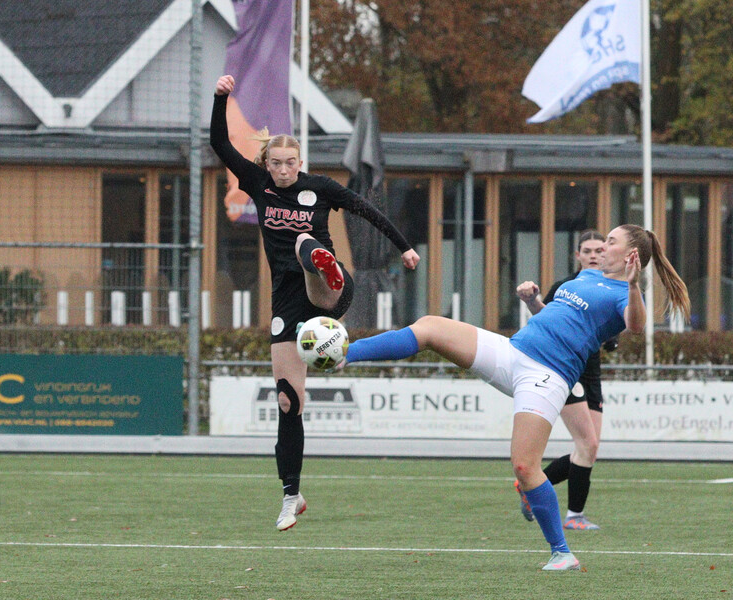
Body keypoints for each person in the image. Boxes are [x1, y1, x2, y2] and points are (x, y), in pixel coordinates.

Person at [335, 224, 689, 570]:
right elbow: (557, 319)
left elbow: (637, 325)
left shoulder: (623, 293)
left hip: (546, 376)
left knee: (524, 465)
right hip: (511, 353)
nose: (601, 245)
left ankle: (562, 553)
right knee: (430, 326)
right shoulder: (583, 278)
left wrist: (632, 286)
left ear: (628, 254)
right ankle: (344, 353)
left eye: (609, 241)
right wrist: (534, 301)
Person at [210, 74, 420, 531]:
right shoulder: (257, 182)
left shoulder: (320, 187)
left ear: (300, 162)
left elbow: (367, 209)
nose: (284, 170)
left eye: (291, 163)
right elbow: (219, 143)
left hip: (332, 290)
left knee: (307, 241)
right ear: (266, 162)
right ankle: (292, 495)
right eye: (277, 163)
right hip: (288, 304)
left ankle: (319, 260)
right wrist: (220, 98)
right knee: (288, 403)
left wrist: (403, 246)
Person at [514, 230, 616, 531]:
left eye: (600, 250)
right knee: (587, 442)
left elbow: (609, 337)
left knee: (589, 448)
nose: (595, 255)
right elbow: (543, 319)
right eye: (588, 251)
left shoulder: (611, 288)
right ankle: (573, 516)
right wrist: (532, 300)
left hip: (591, 371)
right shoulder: (566, 287)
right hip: (563, 367)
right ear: (578, 255)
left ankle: (530, 487)